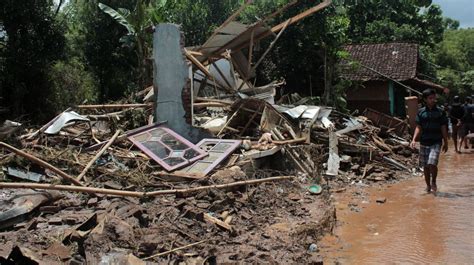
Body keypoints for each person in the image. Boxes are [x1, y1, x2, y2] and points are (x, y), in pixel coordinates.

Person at [410, 89, 448, 193]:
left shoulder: (440, 112)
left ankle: (434, 182)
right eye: (430, 98)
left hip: (436, 141)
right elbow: (418, 127)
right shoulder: (421, 112)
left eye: (434, 98)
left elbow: (443, 127)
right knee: (426, 166)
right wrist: (413, 140)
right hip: (424, 142)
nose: (433, 100)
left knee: (432, 163)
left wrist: (446, 141)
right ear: (425, 99)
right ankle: (428, 186)